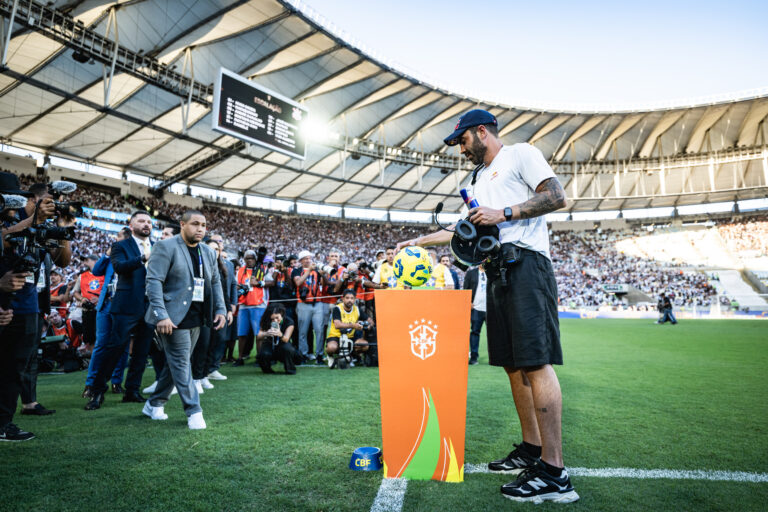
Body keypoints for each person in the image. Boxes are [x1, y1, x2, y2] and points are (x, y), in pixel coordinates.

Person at [397, 109, 578, 503]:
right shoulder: (478, 178)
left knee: (536, 362)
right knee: (513, 366)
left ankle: (555, 472)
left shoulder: (520, 154)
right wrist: (418, 242)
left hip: (528, 263)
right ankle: (532, 450)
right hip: (496, 271)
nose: (461, 150)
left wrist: (505, 212)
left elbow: (557, 196)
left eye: (463, 141)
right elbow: (460, 227)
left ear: (482, 132)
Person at [142, 210, 226, 429]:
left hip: (197, 316)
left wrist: (220, 308)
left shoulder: (208, 251)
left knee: (175, 364)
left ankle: (154, 403)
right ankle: (194, 412)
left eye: (204, 225)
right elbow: (153, 282)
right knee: (181, 362)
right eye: (195, 224)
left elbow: (215, 282)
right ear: (182, 224)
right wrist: (161, 315)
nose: (200, 229)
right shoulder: (165, 247)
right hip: (171, 317)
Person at [85, 211, 155, 410]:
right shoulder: (120, 246)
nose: (146, 224)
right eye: (141, 221)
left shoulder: (158, 247)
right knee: (114, 349)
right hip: (125, 305)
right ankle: (97, 392)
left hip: (149, 305)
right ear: (131, 225)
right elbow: (120, 267)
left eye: (149, 222)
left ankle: (132, 390)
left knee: (141, 352)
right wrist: (144, 257)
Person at [83, 228, 131, 398]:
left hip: (124, 305)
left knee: (123, 345)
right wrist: (107, 253)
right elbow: (96, 271)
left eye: (117, 236)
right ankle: (91, 384)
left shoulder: (133, 255)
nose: (114, 239)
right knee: (101, 344)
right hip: (106, 305)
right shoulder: (111, 257)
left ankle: (117, 382)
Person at [233, 249, 271, 366]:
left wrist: (259, 283)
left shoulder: (263, 269)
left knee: (258, 333)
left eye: (251, 258)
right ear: (244, 260)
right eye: (247, 258)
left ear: (255, 259)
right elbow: (235, 284)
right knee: (241, 333)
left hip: (258, 304)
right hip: (243, 305)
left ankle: (259, 358)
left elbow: (271, 282)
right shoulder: (240, 271)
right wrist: (238, 288)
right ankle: (240, 358)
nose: (249, 260)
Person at [292, 250, 327, 362]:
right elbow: (298, 283)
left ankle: (320, 354)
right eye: (305, 258)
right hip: (303, 303)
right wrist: (309, 271)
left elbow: (323, 284)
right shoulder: (297, 270)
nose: (308, 260)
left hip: (317, 303)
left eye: (309, 258)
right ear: (301, 260)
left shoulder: (316, 270)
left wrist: (323, 275)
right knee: (303, 331)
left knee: (319, 330)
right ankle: (304, 354)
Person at [325, 289, 373, 368]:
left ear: (354, 299)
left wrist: (368, 325)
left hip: (350, 337)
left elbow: (370, 321)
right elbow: (337, 324)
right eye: (347, 298)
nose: (349, 300)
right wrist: (353, 325)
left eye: (352, 298)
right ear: (343, 299)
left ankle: (352, 356)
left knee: (365, 345)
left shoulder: (357, 309)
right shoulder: (337, 308)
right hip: (336, 336)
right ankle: (330, 356)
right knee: (331, 347)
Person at [255, 304, 297, 374]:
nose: (275, 320)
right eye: (272, 319)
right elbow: (258, 337)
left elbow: (286, 339)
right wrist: (266, 333)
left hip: (283, 343)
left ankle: (290, 369)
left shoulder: (289, 321)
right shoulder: (265, 320)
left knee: (288, 349)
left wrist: (280, 335)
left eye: (277, 318)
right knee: (263, 354)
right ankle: (267, 370)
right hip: (268, 343)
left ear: (282, 314)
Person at [463, 264, 487, 365]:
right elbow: (465, 289)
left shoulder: (492, 273)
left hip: (490, 308)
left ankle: (495, 358)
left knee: (493, 334)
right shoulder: (471, 273)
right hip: (476, 308)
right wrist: (468, 301)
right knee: (475, 332)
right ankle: (473, 357)